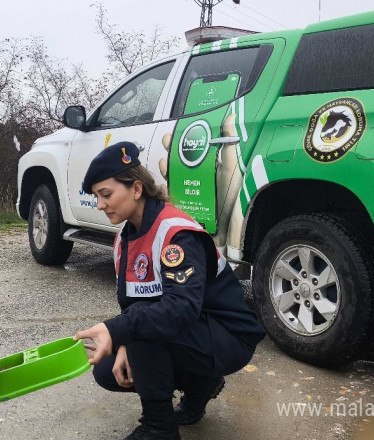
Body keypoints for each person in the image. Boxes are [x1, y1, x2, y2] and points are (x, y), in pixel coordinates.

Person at [74, 141, 266, 440]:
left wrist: (118, 330)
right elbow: (134, 304)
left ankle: (159, 428)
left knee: (140, 325)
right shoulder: (124, 240)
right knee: (108, 368)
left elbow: (179, 309)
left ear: (136, 189)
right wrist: (124, 342)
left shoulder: (175, 233)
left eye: (106, 194)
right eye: (97, 197)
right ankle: (201, 384)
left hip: (228, 337)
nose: (99, 205)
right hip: (193, 334)